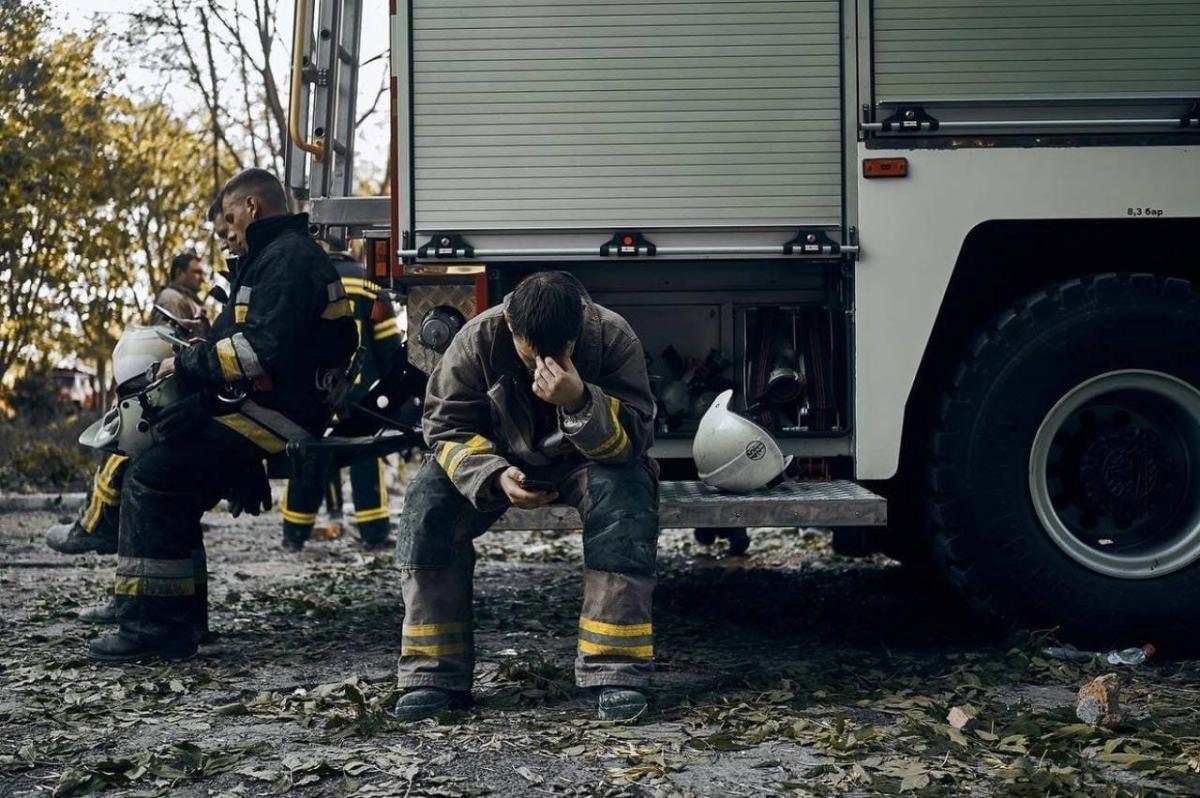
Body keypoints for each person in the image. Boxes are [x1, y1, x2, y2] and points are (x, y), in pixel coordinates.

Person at [87, 168, 357, 662]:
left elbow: (256, 352)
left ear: (252, 206)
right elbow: (245, 344)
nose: (226, 235)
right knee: (165, 474)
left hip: (275, 413)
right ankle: (175, 618)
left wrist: (185, 362)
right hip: (270, 406)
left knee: (154, 478)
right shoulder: (276, 255)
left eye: (228, 221)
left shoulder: (285, 258)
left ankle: (156, 628)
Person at [392, 271, 659, 723]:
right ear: (510, 324)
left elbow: (634, 441)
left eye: (559, 353)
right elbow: (445, 429)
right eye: (532, 355)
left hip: (585, 460)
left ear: (577, 330)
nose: (544, 366)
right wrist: (494, 475)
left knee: (626, 498)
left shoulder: (613, 337)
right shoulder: (476, 339)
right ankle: (432, 675)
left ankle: (615, 672)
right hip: (497, 459)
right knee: (427, 505)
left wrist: (580, 401)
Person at [45, 204, 228, 560]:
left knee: (124, 455)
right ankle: (93, 526)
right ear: (178, 272)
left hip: (186, 391)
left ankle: (96, 526)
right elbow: (170, 347)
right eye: (194, 272)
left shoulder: (186, 300)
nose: (200, 277)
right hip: (165, 386)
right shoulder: (173, 300)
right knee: (121, 447)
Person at [280, 254, 405, 551]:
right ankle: (373, 532)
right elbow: (388, 344)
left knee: (307, 452)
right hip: (360, 391)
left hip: (312, 389)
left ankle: (294, 533)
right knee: (364, 453)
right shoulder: (368, 281)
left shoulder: (301, 278)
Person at [150, 251, 208, 334]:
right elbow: (165, 338)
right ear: (179, 273)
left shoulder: (185, 300)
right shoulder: (171, 298)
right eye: (197, 272)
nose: (202, 279)